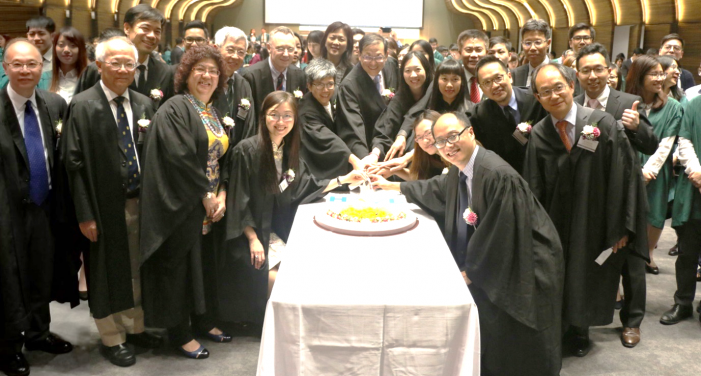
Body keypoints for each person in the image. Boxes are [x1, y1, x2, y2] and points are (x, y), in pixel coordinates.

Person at [372, 112, 564, 376]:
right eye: (440, 142)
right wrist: (391, 187)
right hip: (502, 257)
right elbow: (435, 188)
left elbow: (502, 232)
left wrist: (471, 270)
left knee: (519, 347)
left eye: (453, 136)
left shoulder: (496, 174)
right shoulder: (461, 170)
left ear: (470, 133)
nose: (448, 145)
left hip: (527, 263)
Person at [524, 63, 648, 357]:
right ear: (538, 98)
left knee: (588, 274)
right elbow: (533, 187)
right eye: (545, 92)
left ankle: (581, 330)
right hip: (555, 222)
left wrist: (619, 226)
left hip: (594, 220)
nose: (554, 95)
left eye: (558, 87)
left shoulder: (601, 123)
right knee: (560, 274)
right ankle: (562, 328)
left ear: (571, 86)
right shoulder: (540, 134)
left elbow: (624, 176)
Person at [221, 91, 364, 328]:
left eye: (288, 116)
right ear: (263, 117)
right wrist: (253, 238)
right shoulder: (246, 151)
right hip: (249, 234)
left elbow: (306, 185)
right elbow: (238, 200)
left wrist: (344, 179)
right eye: (274, 115)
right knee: (281, 281)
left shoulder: (289, 151)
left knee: (304, 275)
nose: (281, 122)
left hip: (275, 231)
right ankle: (273, 329)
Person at [61, 36, 162, 367]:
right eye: (114, 62)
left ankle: (135, 327)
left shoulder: (145, 104)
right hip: (103, 207)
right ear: (98, 65)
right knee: (106, 272)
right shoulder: (84, 105)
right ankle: (112, 337)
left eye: (128, 63)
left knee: (135, 267)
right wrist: (85, 214)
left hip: (140, 202)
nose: (122, 69)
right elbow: (73, 165)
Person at [139, 45, 232, 360]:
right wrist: (205, 194)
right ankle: (179, 332)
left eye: (213, 71)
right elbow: (178, 157)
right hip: (182, 203)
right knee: (178, 270)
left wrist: (220, 194)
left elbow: (221, 158)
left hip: (208, 204)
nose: (207, 76)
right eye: (200, 70)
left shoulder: (212, 111)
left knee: (202, 267)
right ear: (186, 74)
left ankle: (204, 320)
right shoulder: (176, 107)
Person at [0, 39, 76, 376]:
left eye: (32, 64)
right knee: (10, 276)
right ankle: (8, 346)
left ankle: (37, 333)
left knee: (42, 270)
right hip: (7, 212)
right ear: (5, 68)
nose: (25, 71)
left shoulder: (54, 104)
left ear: (42, 67)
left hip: (44, 205)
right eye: (17, 64)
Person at [574, 43, 658, 347]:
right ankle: (585, 319)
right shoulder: (574, 104)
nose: (593, 75)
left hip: (626, 195)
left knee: (631, 263)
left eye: (599, 69)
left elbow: (651, 144)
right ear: (578, 74)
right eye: (586, 70)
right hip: (590, 198)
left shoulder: (629, 101)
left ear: (610, 71)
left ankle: (632, 322)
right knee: (592, 260)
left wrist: (637, 128)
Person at [626, 55, 683, 275]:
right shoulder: (626, 101)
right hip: (630, 164)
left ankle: (648, 254)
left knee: (655, 211)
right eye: (654, 74)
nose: (660, 78)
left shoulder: (673, 107)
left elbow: (667, 143)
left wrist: (649, 171)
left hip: (657, 169)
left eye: (662, 73)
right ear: (639, 76)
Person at [75, 4, 174, 108]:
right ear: (127, 28)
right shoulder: (99, 69)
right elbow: (80, 108)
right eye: (145, 28)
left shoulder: (165, 72)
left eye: (157, 31)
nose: (151, 35)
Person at [471, 55, 548, 174]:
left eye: (498, 78)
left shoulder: (536, 100)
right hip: (506, 176)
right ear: (481, 88)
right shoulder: (480, 113)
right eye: (487, 82)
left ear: (510, 76)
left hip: (541, 170)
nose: (495, 85)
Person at [335, 33, 398, 166]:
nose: (373, 62)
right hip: (368, 149)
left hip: (394, 145)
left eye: (378, 57)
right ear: (359, 55)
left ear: (386, 55)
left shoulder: (392, 66)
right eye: (367, 56)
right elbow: (353, 128)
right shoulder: (349, 85)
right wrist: (366, 160)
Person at [665, 95, 701, 325]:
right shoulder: (694, 104)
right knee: (687, 251)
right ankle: (683, 302)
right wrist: (698, 173)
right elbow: (685, 140)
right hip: (694, 187)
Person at [299, 58, 363, 178]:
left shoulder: (335, 98)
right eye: (319, 84)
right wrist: (353, 159)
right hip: (317, 160)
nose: (325, 90)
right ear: (309, 86)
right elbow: (325, 138)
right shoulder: (305, 110)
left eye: (330, 84)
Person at [373, 51, 433, 161]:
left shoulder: (434, 93)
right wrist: (375, 154)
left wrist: (402, 135)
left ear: (426, 70)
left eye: (417, 69)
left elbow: (416, 115)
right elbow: (387, 126)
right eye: (408, 71)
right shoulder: (400, 97)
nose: (413, 75)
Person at [241, 26, 306, 117]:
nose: (286, 54)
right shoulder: (251, 76)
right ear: (269, 48)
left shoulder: (300, 75)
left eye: (290, 49)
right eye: (280, 49)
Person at [213, 26, 257, 147]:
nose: (235, 56)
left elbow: (250, 124)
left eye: (241, 52)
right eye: (230, 50)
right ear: (216, 49)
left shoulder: (244, 84)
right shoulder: (206, 82)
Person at [48, 27, 88, 104]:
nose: (66, 50)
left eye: (72, 45)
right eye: (61, 45)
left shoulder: (90, 79)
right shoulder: (43, 78)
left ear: (81, 49)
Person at [457, 29, 488, 103]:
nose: (474, 55)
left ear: (487, 53)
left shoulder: (493, 78)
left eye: (478, 50)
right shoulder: (452, 77)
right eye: (469, 50)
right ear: (460, 53)